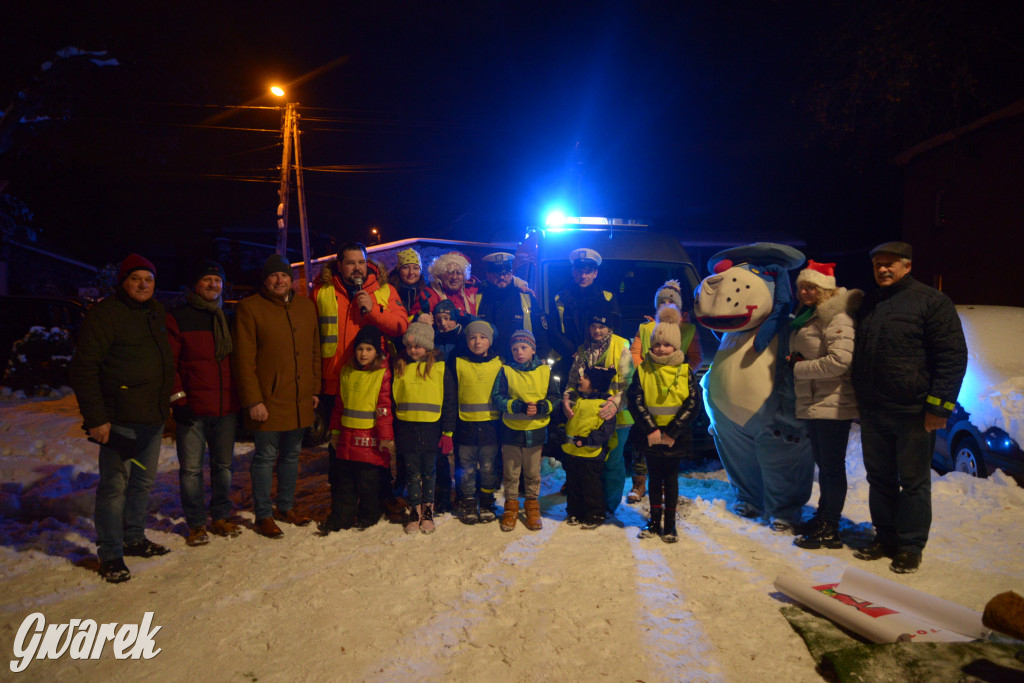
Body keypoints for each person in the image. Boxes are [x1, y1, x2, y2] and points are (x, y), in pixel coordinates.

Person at [851, 241, 967, 574]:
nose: (883, 269)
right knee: (880, 479)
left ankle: (911, 546)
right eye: (877, 265)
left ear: (907, 266)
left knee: (914, 482)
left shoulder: (932, 302)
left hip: (913, 412)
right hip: (874, 410)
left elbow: (952, 357)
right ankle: (885, 538)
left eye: (890, 264)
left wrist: (939, 408)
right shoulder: (871, 302)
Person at [69, 253, 175, 583]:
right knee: (115, 487)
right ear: (123, 281)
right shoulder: (105, 314)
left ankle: (134, 537)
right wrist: (97, 419)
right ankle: (111, 553)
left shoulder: (155, 311)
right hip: (118, 420)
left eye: (149, 279)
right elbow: (84, 369)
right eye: (136, 278)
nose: (143, 285)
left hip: (152, 418)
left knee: (142, 482)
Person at [233, 254, 321, 538]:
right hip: (267, 399)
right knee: (265, 457)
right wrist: (253, 400)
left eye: (284, 275)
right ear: (265, 280)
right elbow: (244, 360)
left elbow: (314, 351)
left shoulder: (306, 307)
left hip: (299, 397)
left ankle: (285, 506)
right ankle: (263, 514)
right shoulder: (250, 308)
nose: (280, 280)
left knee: (292, 455)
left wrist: (314, 389)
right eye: (273, 276)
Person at [786, 261, 862, 551]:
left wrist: (800, 368)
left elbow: (840, 361)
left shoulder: (837, 317)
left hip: (833, 404)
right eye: (802, 286)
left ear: (825, 289)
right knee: (825, 466)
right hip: (816, 402)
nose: (804, 291)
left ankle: (831, 527)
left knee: (831, 467)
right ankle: (823, 518)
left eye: (811, 287)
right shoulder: (809, 316)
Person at [166, 259, 242, 547]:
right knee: (191, 470)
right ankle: (197, 523)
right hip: (194, 408)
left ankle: (221, 516)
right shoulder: (179, 317)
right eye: (207, 280)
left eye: (217, 280)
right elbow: (169, 364)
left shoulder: (229, 316)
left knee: (223, 467)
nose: (213, 285)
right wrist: (178, 400)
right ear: (195, 285)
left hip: (226, 407)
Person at [627, 306, 698, 544]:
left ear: (676, 346)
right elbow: (635, 399)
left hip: (674, 437)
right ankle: (654, 519)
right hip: (651, 435)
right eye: (657, 344)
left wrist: (673, 431)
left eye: (666, 344)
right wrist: (651, 429)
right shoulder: (644, 369)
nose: (661, 348)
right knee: (654, 478)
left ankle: (670, 524)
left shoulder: (685, 370)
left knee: (671, 479)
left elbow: (692, 403)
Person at [562, 298, 634, 516]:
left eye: (601, 326)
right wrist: (567, 399)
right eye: (593, 326)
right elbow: (573, 381)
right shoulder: (583, 350)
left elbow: (629, 382)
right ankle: (590, 504)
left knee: (612, 463)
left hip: (617, 418)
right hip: (588, 418)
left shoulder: (621, 346)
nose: (597, 330)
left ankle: (608, 506)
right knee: (589, 463)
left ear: (609, 327)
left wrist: (615, 404)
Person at [320, 324, 394, 534]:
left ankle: (368, 516)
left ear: (377, 352)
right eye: (360, 349)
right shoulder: (346, 371)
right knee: (344, 483)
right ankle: (341, 518)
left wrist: (385, 438)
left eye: (369, 350)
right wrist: (334, 433)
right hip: (346, 438)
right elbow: (339, 406)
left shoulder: (382, 374)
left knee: (368, 483)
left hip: (369, 440)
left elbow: (383, 408)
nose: (363, 354)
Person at [491, 329, 559, 532]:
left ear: (533, 349)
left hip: (535, 430)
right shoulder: (506, 371)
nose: (519, 352)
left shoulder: (545, 371)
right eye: (514, 349)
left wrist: (541, 407)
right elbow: (497, 397)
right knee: (511, 472)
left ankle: (532, 507)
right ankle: (510, 508)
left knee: (532, 472)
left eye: (523, 347)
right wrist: (517, 406)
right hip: (511, 430)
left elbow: (554, 398)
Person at [392, 321, 456, 534]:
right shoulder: (400, 366)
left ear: (428, 346)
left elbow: (448, 401)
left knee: (429, 471)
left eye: (418, 346)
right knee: (412, 473)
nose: (413, 350)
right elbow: (394, 401)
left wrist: (448, 431)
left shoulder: (439, 367)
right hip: (407, 429)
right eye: (409, 346)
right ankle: (414, 509)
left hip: (431, 430)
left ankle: (428, 508)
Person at [450, 320, 503, 524]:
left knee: (489, 467)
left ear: (490, 341)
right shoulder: (458, 363)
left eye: (482, 337)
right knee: (467, 468)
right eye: (472, 337)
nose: (477, 341)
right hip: (466, 427)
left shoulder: (499, 363)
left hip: (491, 428)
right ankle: (469, 501)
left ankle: (487, 501)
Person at [549, 248, 621, 389]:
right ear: (573, 272)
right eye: (579, 271)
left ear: (595, 273)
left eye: (587, 272)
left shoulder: (607, 297)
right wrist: (574, 351)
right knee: (569, 401)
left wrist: (592, 350)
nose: (583, 276)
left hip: (599, 359)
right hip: (569, 360)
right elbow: (553, 330)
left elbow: (615, 330)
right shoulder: (560, 298)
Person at [562, 366, 617, 529]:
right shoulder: (578, 400)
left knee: (591, 486)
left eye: (585, 377)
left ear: (596, 384)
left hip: (592, 455)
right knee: (573, 484)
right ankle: (574, 511)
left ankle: (595, 513)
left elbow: (606, 430)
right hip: (573, 452)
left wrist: (588, 440)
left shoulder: (605, 405)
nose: (580, 379)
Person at [476, 251, 549, 360]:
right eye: (497, 273)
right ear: (488, 275)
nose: (502, 277)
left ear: (511, 274)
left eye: (506, 273)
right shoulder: (478, 297)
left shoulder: (526, 297)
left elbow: (541, 333)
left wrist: (541, 358)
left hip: (519, 364)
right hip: (487, 363)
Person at [388, 247, 430, 320]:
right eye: (406, 267)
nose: (411, 272)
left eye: (416, 268)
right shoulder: (389, 291)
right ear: (399, 270)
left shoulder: (427, 292)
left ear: (420, 271)